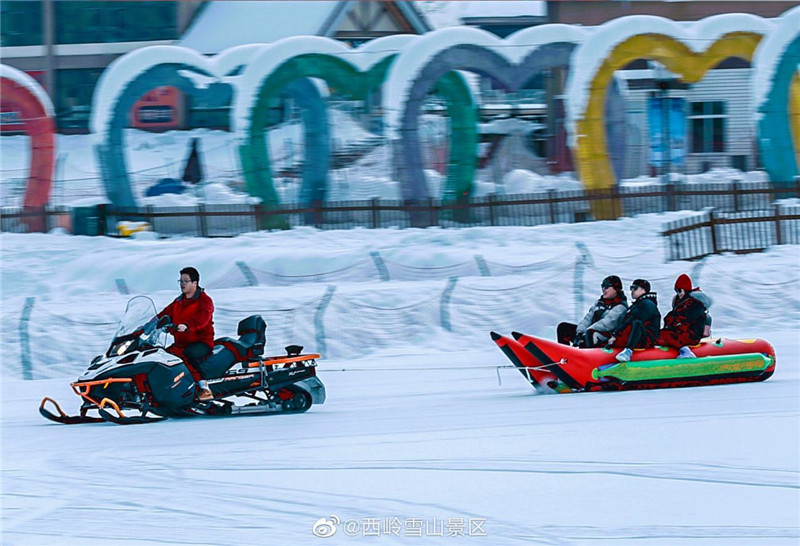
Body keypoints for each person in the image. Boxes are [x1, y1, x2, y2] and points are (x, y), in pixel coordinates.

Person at [158, 266, 215, 401]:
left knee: (188, 355)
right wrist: (146, 326)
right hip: (181, 343)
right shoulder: (178, 302)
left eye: (185, 281)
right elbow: (163, 314)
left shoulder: (204, 301)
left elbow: (202, 319)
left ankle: (204, 388)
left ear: (194, 283)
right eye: (180, 281)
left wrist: (186, 326)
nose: (182, 284)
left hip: (201, 342)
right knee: (163, 357)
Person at [557, 275, 627, 348]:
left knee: (590, 334)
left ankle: (585, 355)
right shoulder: (600, 303)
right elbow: (588, 319)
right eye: (602, 286)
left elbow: (607, 323)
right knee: (563, 327)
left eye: (606, 286)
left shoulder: (621, 307)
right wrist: (580, 333)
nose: (603, 289)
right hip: (590, 332)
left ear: (616, 288)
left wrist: (588, 331)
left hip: (605, 336)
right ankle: (563, 353)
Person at [658, 273, 712, 358]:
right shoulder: (680, 302)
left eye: (680, 290)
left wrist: (674, 324)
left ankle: (686, 352)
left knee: (667, 336)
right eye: (676, 290)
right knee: (661, 334)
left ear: (686, 289)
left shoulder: (695, 303)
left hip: (692, 333)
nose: (678, 293)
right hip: (682, 331)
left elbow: (687, 319)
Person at [606, 279, 661, 362]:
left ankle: (628, 351)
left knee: (637, 323)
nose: (632, 290)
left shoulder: (648, 304)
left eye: (635, 288)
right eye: (631, 288)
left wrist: (616, 335)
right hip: (636, 336)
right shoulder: (637, 304)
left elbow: (635, 319)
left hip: (647, 339)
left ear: (643, 290)